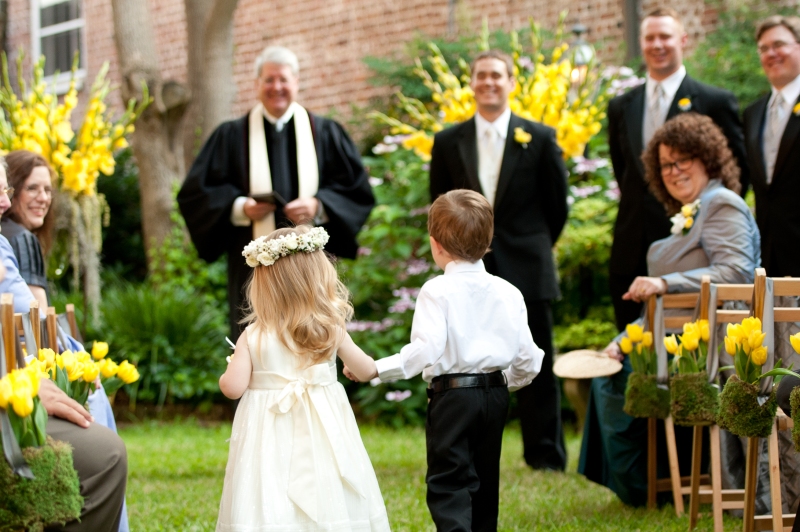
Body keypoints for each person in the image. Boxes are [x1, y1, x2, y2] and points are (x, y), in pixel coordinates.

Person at [579, 113, 760, 506]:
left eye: (682, 160)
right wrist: (623, 340)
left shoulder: (721, 204)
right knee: (609, 368)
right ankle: (649, 485)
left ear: (707, 158)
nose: (673, 171)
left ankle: (646, 489)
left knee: (615, 382)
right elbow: (658, 312)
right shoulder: (690, 212)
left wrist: (664, 282)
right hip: (673, 337)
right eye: (665, 165)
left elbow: (737, 271)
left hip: (712, 346)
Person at [348, 190, 543, 531]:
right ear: (488, 241)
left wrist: (377, 369)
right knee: (485, 479)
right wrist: (502, 382)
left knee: (449, 481)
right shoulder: (509, 291)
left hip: (452, 397)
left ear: (435, 244)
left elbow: (427, 349)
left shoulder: (436, 291)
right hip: (495, 395)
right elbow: (528, 357)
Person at [428, 49, 568, 472]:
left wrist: (534, 247)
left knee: (536, 356)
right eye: (480, 76)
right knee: (465, 358)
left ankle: (545, 454)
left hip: (528, 262)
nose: (488, 82)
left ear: (511, 82)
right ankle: (464, 448)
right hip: (465, 268)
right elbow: (437, 204)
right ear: (471, 84)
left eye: (497, 75)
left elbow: (557, 206)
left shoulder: (540, 137)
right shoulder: (448, 141)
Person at [178, 46, 374, 340]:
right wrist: (240, 207)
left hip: (311, 272)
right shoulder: (231, 136)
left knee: (314, 342)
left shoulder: (325, 133)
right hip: (253, 273)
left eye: (283, 79)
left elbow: (357, 191)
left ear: (296, 82)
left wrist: (319, 205)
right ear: (257, 84)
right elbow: (195, 194)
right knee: (256, 350)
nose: (276, 87)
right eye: (269, 80)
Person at [216, 225, 389, 531]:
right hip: (324, 427)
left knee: (271, 484)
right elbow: (366, 369)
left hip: (269, 435)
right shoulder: (330, 328)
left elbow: (232, 388)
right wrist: (352, 370)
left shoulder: (253, 336)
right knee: (328, 480)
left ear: (263, 284)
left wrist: (230, 369)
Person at [0, 160, 128, 532]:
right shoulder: (16, 240)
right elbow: (36, 319)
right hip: (18, 382)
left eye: (6, 190)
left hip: (23, 374)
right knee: (104, 451)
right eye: (30, 189)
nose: (6, 204)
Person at [608, 7, 749, 332]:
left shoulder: (715, 101)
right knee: (635, 345)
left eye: (665, 36)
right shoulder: (621, 106)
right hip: (632, 242)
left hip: (695, 249)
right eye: (650, 38)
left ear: (683, 40)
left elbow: (736, 173)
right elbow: (625, 170)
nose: (657, 44)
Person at [744, 16, 800, 278]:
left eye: (779, 44)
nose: (771, 54)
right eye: (764, 49)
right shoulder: (753, 114)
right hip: (768, 251)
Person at [0, 150, 56, 310]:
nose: (43, 198)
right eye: (32, 188)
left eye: (47, 190)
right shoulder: (21, 239)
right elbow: (39, 323)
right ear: (14, 189)